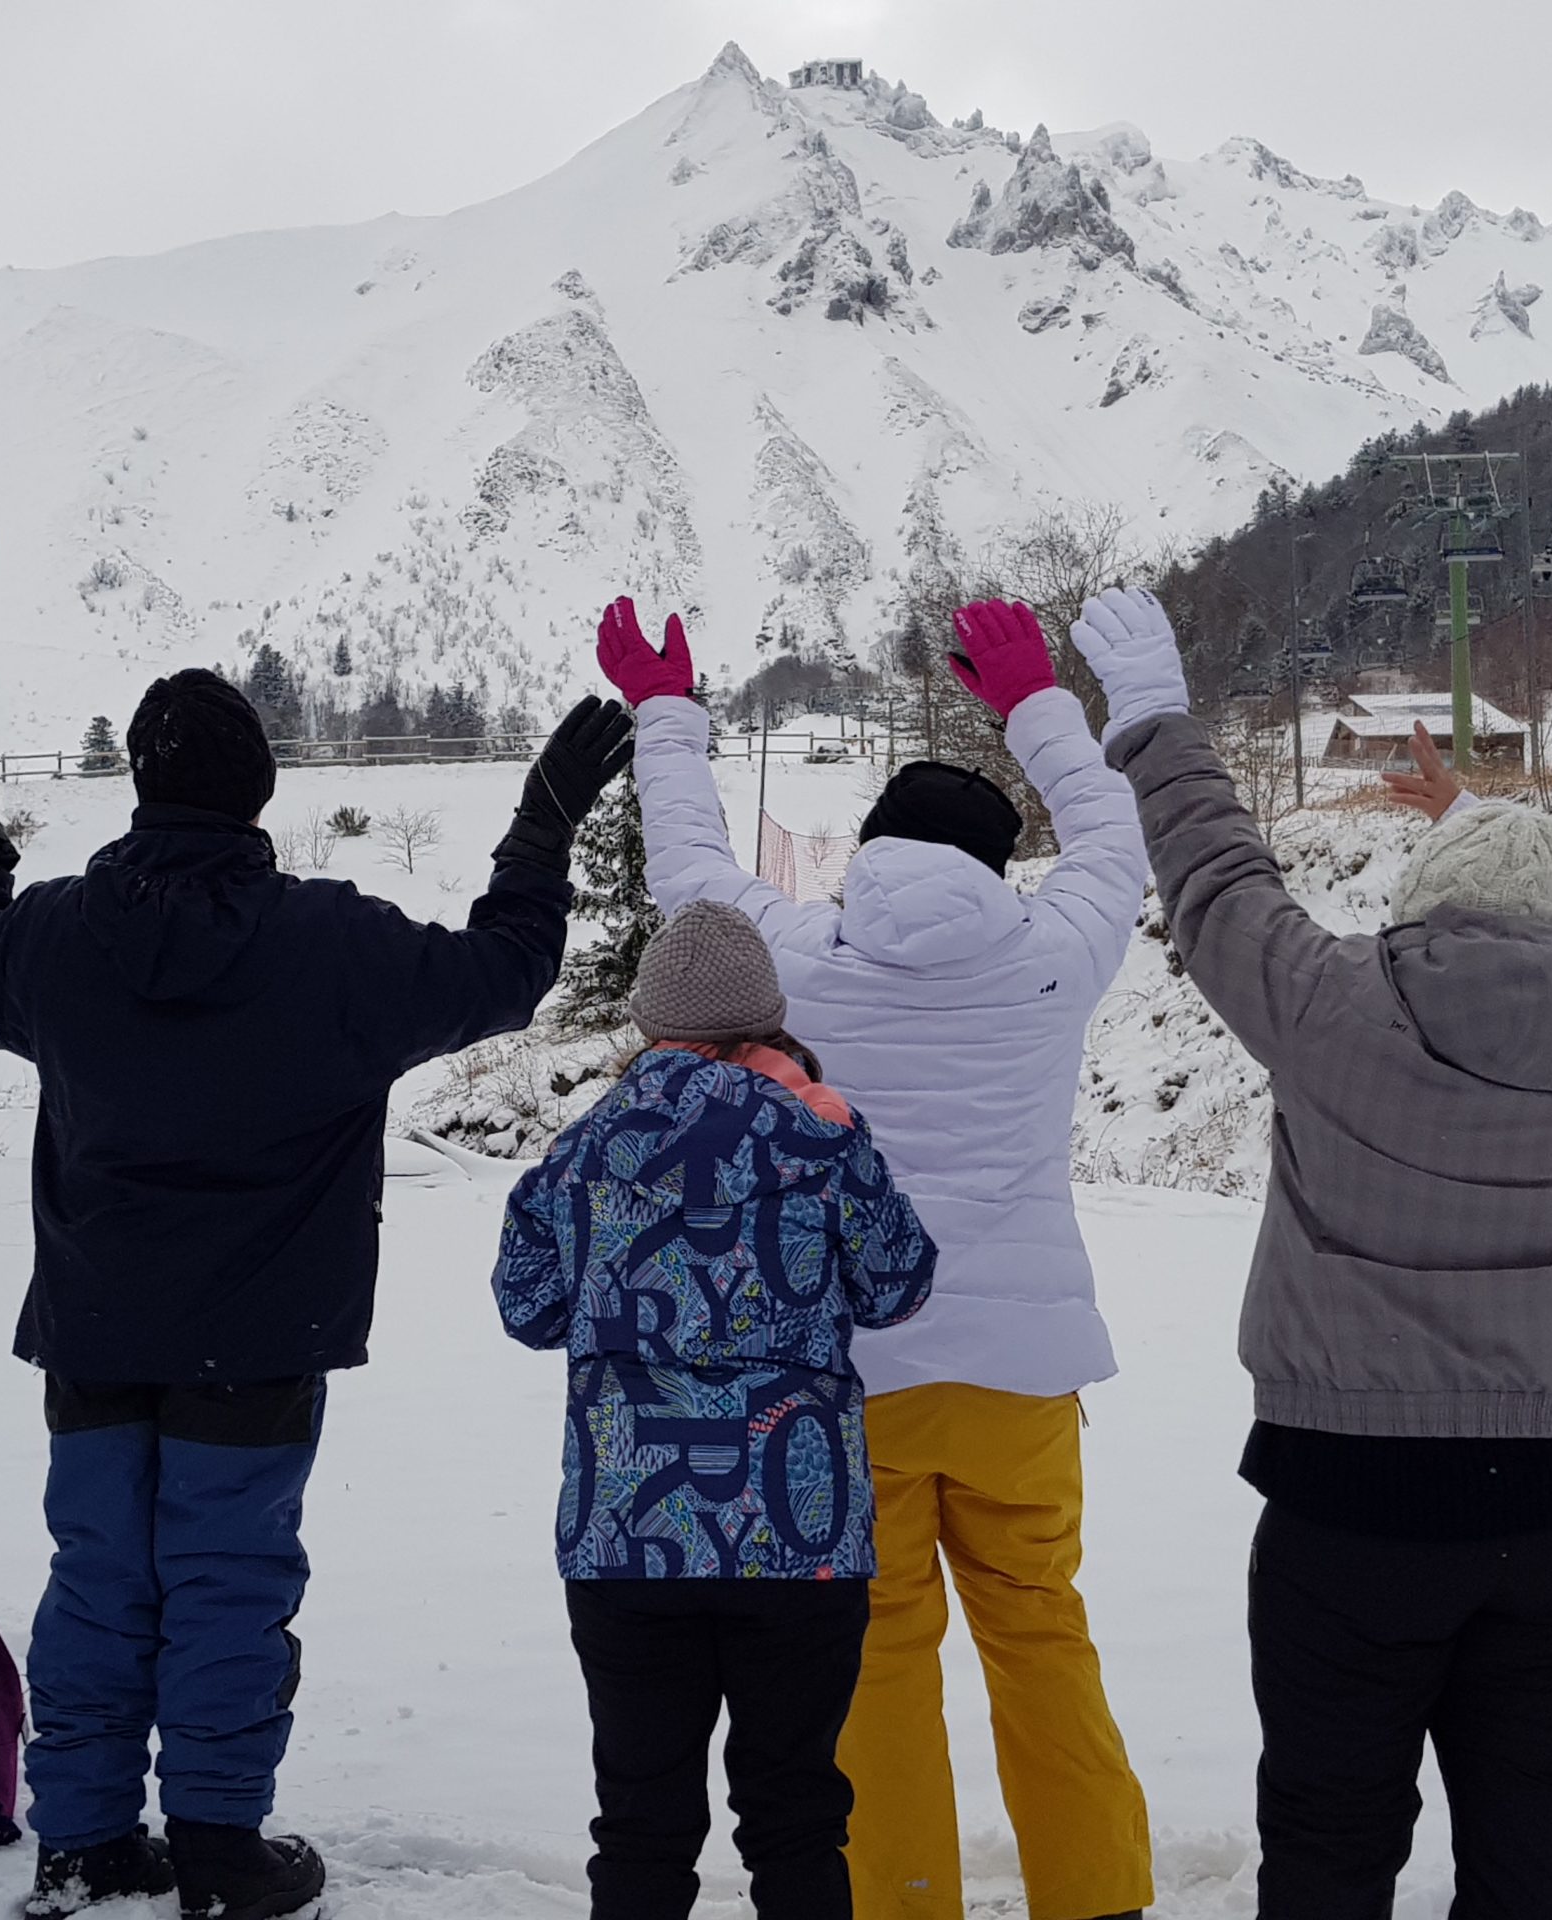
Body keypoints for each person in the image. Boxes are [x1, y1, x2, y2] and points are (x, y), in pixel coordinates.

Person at [0, 673, 631, 1920]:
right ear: (261, 792)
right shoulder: (331, 945)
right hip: (259, 1335)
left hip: (94, 1326)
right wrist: (543, 819)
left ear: (142, 784)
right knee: (228, 1583)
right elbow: (507, 970)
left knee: (96, 1578)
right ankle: (217, 1851)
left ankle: (81, 1845)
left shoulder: (59, 936)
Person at [1084, 610, 1552, 1920]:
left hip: (1350, 1508)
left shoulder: (1329, 1003)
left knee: (1328, 1841)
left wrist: (1155, 718)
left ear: (1422, 897)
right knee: (1538, 1829)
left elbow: (1216, 878)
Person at [597, 592, 1164, 1920]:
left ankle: (904, 1899)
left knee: (878, 1659)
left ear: (869, 852)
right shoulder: (1055, 957)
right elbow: (1116, 842)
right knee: (1041, 1634)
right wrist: (1038, 702)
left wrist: (667, 715)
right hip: (1022, 1379)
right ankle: (1097, 1899)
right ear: (996, 859)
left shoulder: (799, 958)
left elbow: (685, 872)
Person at [493, 898, 939, 1917]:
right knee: (797, 1816)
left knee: (640, 1822)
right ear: (765, 1020)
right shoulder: (821, 1137)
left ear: (649, 1022)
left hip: (629, 1532)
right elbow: (898, 1284)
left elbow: (526, 1306)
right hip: (798, 1534)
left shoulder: (582, 1149)